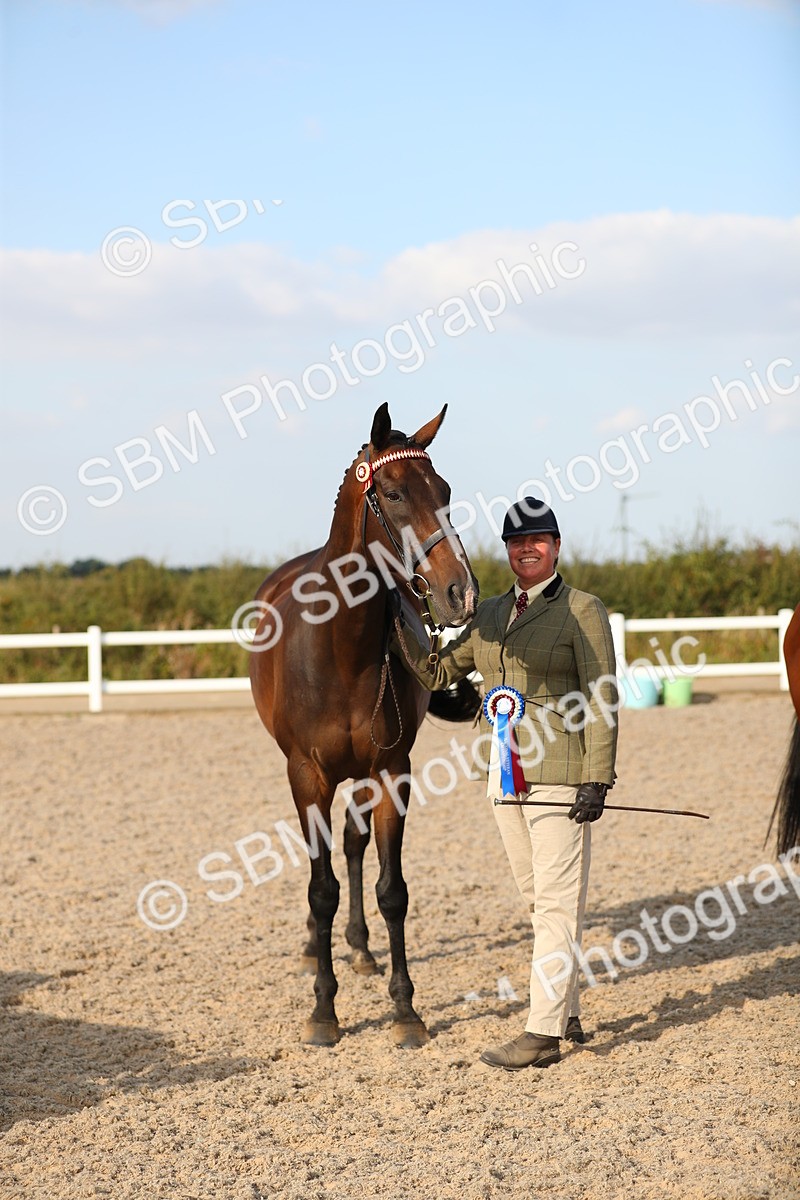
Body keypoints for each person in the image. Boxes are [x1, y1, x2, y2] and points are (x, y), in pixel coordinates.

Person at [395, 497, 618, 1070]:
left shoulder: (583, 610)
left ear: (556, 547)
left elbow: (602, 697)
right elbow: (438, 673)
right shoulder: (490, 614)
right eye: (518, 541)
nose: (528, 548)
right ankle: (566, 1011)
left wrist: (597, 777)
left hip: (561, 775)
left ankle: (541, 1033)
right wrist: (399, 623)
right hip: (502, 776)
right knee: (539, 901)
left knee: (557, 904)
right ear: (508, 551)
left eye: (538, 540)